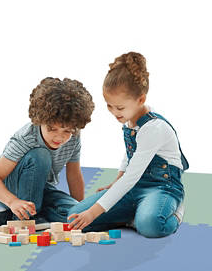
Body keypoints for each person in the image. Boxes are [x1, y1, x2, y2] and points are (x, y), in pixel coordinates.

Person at [67, 52, 189, 238]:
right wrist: (115, 182)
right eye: (109, 106)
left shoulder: (153, 129)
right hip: (134, 187)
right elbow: (130, 155)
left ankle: (174, 212)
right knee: (74, 216)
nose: (114, 112)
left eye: (120, 108)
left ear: (141, 100)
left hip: (162, 187)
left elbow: (131, 176)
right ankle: (133, 214)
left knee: (151, 225)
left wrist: (92, 213)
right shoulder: (129, 120)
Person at [0, 77, 95, 228]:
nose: (59, 137)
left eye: (67, 131)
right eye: (52, 129)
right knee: (40, 155)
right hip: (9, 191)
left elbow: (74, 175)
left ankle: (10, 217)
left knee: (75, 216)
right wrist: (13, 201)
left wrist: (81, 208)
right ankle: (24, 217)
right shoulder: (26, 137)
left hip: (41, 189)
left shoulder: (73, 137)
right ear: (40, 120)